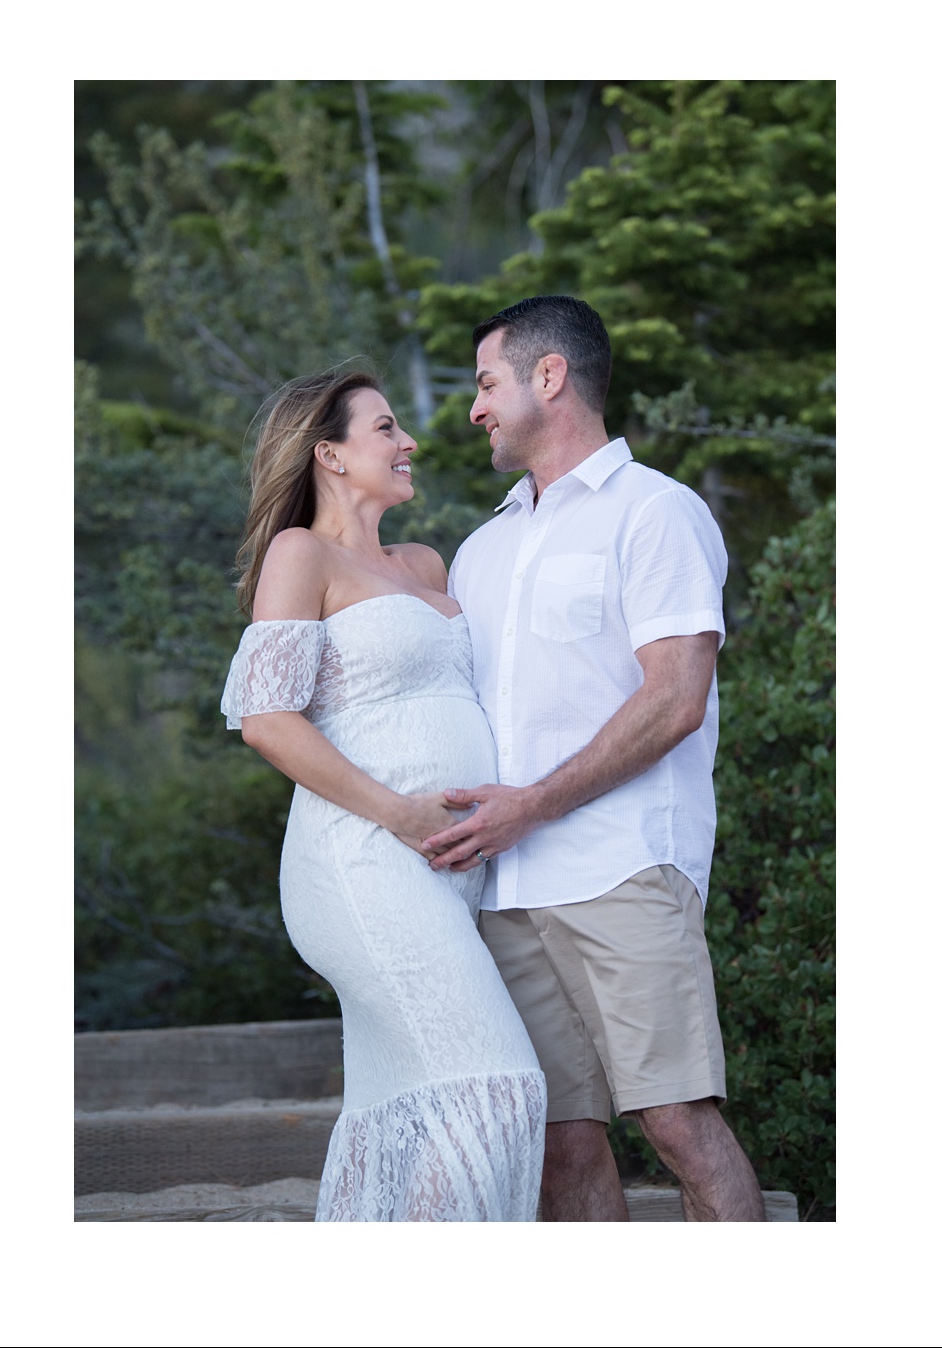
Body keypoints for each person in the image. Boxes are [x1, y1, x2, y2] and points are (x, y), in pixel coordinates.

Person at [419, 295, 766, 1220]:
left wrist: (529, 804)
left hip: (623, 863)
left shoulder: (656, 513)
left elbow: (674, 698)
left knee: (678, 1123)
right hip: (504, 887)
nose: (474, 409)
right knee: (559, 1143)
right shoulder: (480, 550)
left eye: (486, 382)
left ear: (550, 376)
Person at [221, 369, 545, 1221]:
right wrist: (400, 812)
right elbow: (268, 721)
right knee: (495, 1083)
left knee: (403, 1109)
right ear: (329, 453)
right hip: (362, 861)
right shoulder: (302, 556)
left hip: (448, 870)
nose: (410, 444)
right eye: (387, 428)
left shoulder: (424, 562)